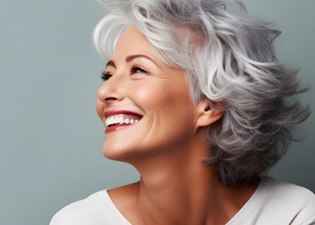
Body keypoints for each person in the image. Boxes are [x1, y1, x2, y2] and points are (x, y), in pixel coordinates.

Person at [50, 0, 315, 224]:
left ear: (210, 105)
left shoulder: (292, 213)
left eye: (138, 70)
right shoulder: (80, 220)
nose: (105, 91)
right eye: (107, 74)